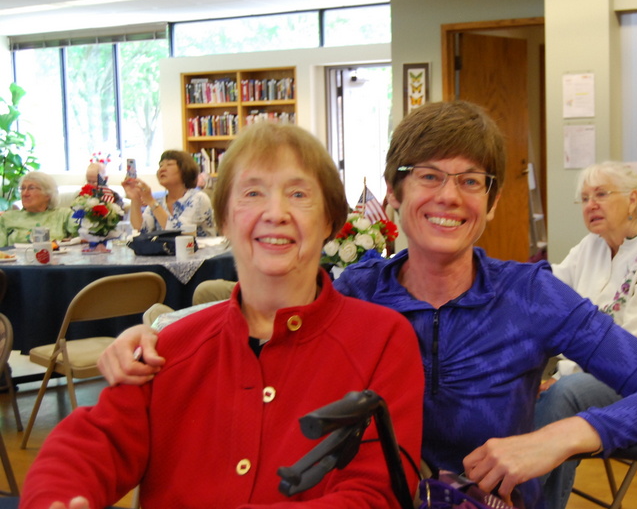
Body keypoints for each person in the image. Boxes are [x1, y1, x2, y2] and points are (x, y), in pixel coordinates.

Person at [98, 101, 637, 509]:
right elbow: (258, 319)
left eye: (472, 181)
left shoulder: (531, 295)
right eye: (429, 177)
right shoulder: (359, 290)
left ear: (491, 203)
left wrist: (561, 435)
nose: (451, 197)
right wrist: (152, 334)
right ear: (393, 193)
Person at [19, 122, 425, 509]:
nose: (276, 212)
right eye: (252, 193)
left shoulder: (383, 340)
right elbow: (93, 443)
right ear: (225, 220)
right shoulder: (170, 347)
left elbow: (379, 491)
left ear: (330, 221)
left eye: (299, 194)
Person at [535, 161, 637, 509]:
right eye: (584, 198)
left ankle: (520, 500)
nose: (591, 204)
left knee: (564, 396)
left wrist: (561, 374)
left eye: (601, 194)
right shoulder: (589, 247)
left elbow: (636, 346)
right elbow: (551, 292)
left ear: (632, 199)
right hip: (583, 377)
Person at [122, 150, 216, 237]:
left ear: (184, 170)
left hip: (202, 253)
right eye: (160, 166)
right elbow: (140, 230)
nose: (162, 169)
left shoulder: (198, 198)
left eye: (169, 164)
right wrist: (134, 198)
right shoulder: (159, 202)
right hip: (167, 254)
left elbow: (180, 232)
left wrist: (151, 201)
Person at [0, 171, 78, 246]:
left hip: (55, 258)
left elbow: (84, 234)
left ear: (48, 194)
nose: (24, 193)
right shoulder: (7, 218)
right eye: (23, 188)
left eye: (31, 188)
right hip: (16, 258)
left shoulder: (63, 215)